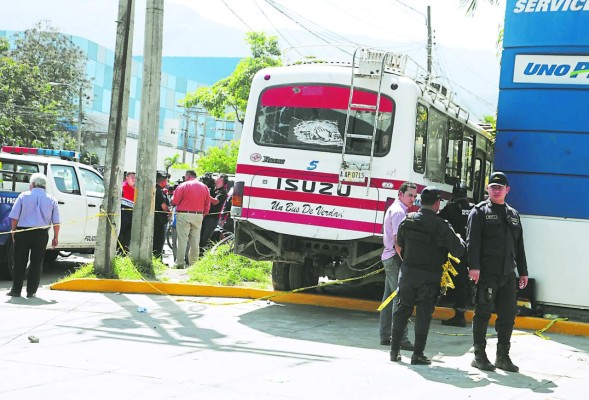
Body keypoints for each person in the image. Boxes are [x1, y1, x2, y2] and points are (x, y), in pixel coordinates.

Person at [390, 186, 465, 365]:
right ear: (437, 203)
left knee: (402, 310)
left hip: (408, 274)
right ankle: (418, 354)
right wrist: (458, 237)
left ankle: (394, 352)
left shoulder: (408, 220)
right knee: (423, 314)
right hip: (429, 277)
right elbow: (459, 250)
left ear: (420, 202)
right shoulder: (441, 225)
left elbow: (399, 243)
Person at [467, 172, 528, 373]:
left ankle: (502, 356)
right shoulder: (479, 212)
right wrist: (473, 266)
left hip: (507, 274)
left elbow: (519, 246)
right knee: (483, 313)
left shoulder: (513, 214)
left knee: (508, 315)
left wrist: (523, 272)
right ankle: (479, 355)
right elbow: (472, 242)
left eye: (500, 187)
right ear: (487, 189)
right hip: (486, 273)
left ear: (507, 190)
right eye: (493, 187)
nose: (496, 190)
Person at [6, 173, 60, 298]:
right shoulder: (52, 200)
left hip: (22, 233)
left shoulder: (23, 196)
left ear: (33, 184)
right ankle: (31, 291)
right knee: (36, 262)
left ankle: (16, 290)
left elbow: (14, 217)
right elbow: (56, 222)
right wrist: (55, 237)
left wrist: (13, 231)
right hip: (41, 234)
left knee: (19, 261)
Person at [379, 181, 416, 350]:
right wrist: (406, 260)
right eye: (410, 195)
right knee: (400, 300)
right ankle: (401, 338)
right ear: (400, 194)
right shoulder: (399, 212)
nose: (413, 199)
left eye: (415, 196)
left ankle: (386, 335)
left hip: (390, 257)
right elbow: (397, 241)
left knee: (389, 298)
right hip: (395, 258)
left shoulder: (395, 209)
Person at [438, 181, 474, 327]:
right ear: (466, 194)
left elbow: (439, 223)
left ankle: (459, 316)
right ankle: (461, 311)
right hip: (471, 250)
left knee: (456, 282)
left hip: (455, 251)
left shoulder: (450, 208)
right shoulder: (473, 209)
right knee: (464, 283)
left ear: (453, 195)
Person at [171, 170, 211, 268]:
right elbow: (207, 204)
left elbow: (175, 201)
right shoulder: (204, 187)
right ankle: (194, 264)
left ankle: (180, 263)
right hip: (198, 215)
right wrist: (203, 214)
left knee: (182, 239)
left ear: (188, 176)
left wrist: (172, 199)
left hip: (184, 214)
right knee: (195, 240)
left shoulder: (183, 185)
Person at [199, 174, 228, 250]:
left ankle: (202, 255)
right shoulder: (212, 187)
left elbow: (215, 201)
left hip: (212, 219)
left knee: (205, 239)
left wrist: (205, 193)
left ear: (221, 180)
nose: (215, 178)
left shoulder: (223, 192)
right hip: (204, 216)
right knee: (199, 236)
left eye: (217, 177)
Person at [153, 171, 170, 259]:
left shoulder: (154, 189)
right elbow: (164, 206)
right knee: (159, 240)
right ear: (163, 181)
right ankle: (158, 258)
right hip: (159, 220)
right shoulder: (158, 190)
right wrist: (169, 212)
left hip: (155, 218)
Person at [117, 171, 136, 254]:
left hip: (132, 215)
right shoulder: (122, 187)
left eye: (135, 177)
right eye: (132, 177)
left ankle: (124, 253)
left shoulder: (136, 189)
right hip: (123, 214)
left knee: (128, 236)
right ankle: (117, 250)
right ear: (127, 178)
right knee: (120, 233)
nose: (134, 179)